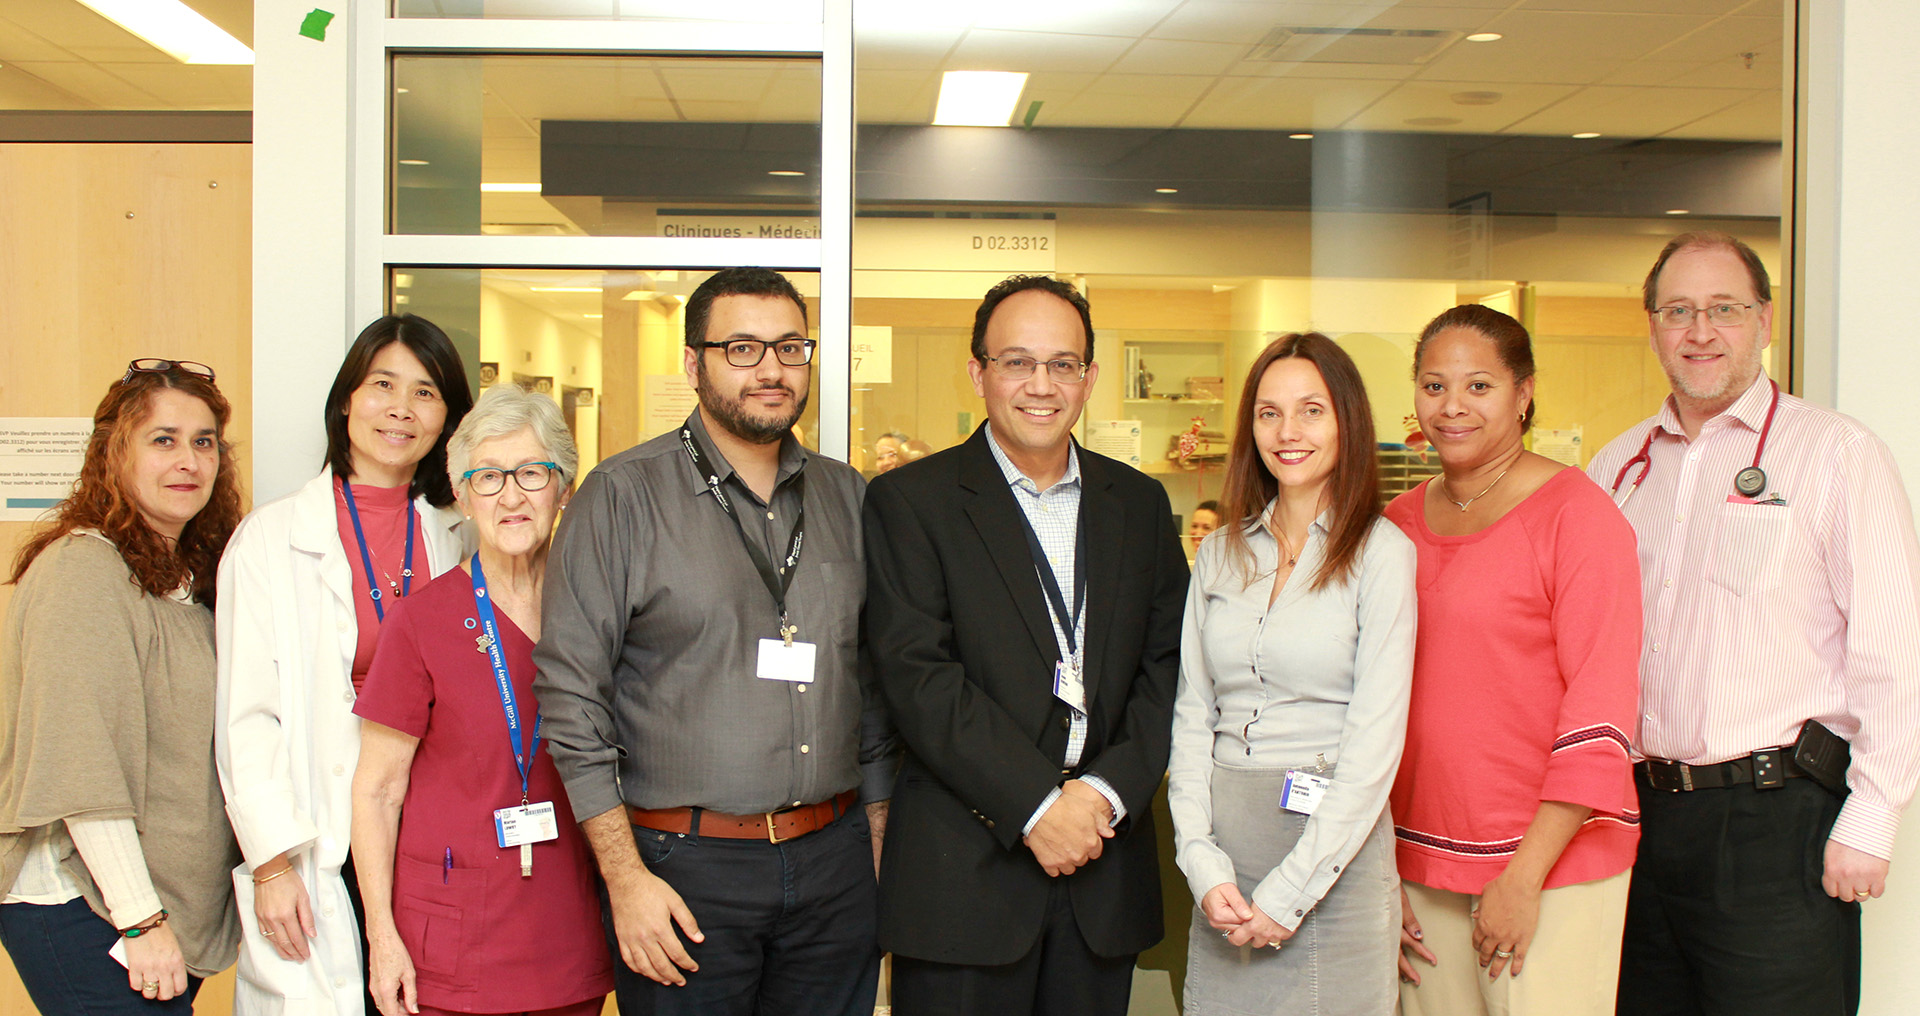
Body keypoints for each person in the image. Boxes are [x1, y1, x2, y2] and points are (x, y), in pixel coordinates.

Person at [534, 267, 894, 1016]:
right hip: (683, 870)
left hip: (833, 863)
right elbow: (571, 700)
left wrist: (878, 837)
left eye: (790, 347)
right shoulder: (622, 495)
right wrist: (625, 880)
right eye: (742, 348)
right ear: (694, 364)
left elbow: (876, 681)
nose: (771, 369)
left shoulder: (847, 496)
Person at [1588, 232, 1920, 1016]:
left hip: (1778, 821)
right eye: (1679, 311)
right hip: (1642, 819)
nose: (1700, 331)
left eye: (1724, 309)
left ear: (1765, 321)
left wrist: (1873, 816)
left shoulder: (1838, 454)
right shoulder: (1617, 467)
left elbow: (1893, 649)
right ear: (1653, 326)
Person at [864, 274, 1188, 1016]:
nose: (1041, 385)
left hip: (1102, 871)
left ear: (1089, 378)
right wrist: (1039, 807)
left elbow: (1165, 670)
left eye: (1062, 364)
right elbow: (920, 680)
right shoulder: (912, 503)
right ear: (978, 372)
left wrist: (1102, 797)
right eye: (1016, 361)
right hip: (964, 878)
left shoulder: (1137, 505)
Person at [1388, 305, 1642, 1016]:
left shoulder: (1580, 517)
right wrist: (1382, 871)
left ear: (1523, 394)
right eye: (1434, 386)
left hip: (1548, 865)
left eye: (1479, 386)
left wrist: (1524, 877)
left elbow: (1601, 707)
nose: (1453, 407)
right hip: (1418, 860)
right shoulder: (1395, 525)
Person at [217, 315, 473, 1016]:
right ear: (344, 401)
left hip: (429, 840)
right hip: (318, 840)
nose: (400, 408)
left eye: (425, 393)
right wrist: (270, 864)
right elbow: (247, 719)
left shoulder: (461, 535)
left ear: (448, 418)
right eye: (382, 385)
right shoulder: (271, 539)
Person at [1169, 334, 1417, 1014]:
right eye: (1269, 413)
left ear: (1347, 421)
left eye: (1311, 410)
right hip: (1226, 857)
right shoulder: (1219, 553)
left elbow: (1374, 744)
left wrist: (1289, 894)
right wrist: (1200, 860)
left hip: (1335, 859)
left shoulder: (1382, 553)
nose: (1288, 432)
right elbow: (1192, 718)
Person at [350, 384, 612, 1016]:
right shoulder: (422, 621)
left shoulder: (598, 613)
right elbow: (377, 790)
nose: (512, 495)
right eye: (488, 476)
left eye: (531, 472)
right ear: (462, 496)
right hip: (452, 929)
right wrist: (380, 935)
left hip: (565, 924)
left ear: (563, 488)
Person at [1, 360, 245, 1012]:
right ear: (114, 454)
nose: (188, 459)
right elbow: (81, 764)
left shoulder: (187, 581)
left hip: (149, 910)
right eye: (162, 439)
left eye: (203, 441)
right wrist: (140, 918)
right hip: (87, 905)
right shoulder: (83, 571)